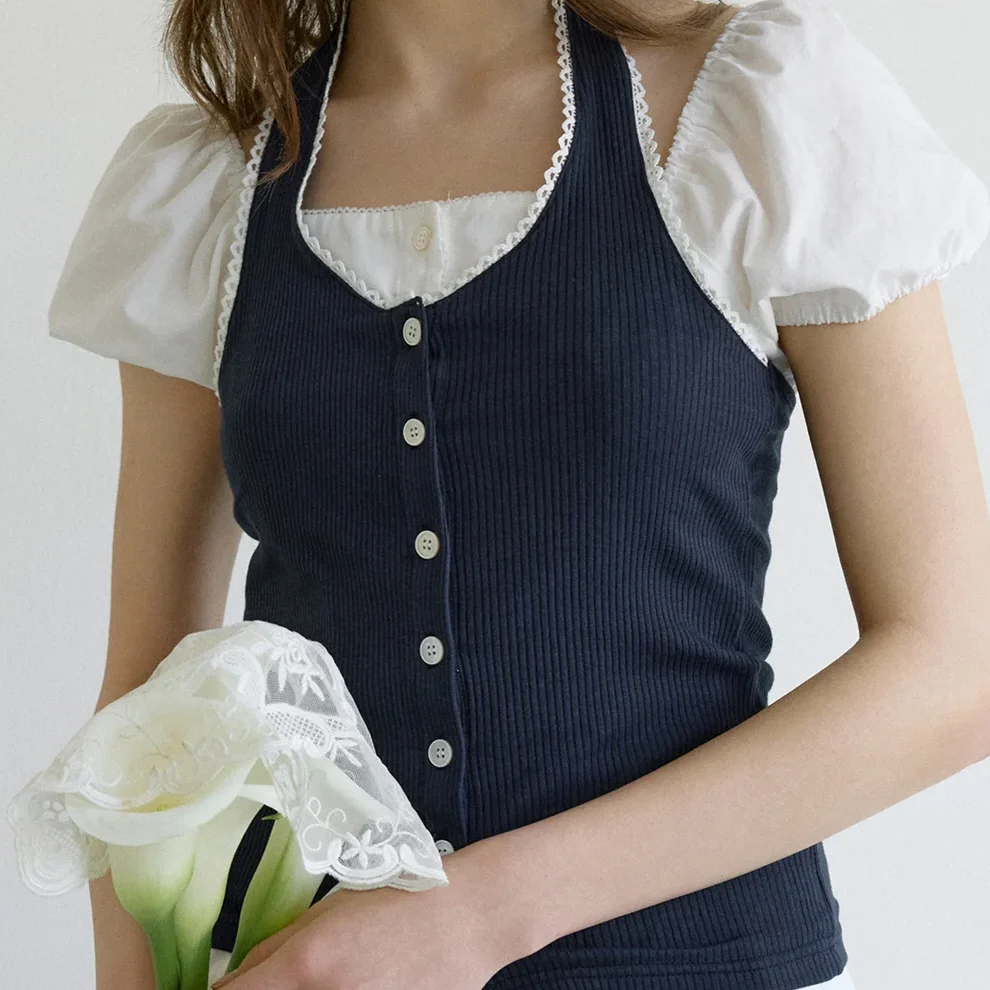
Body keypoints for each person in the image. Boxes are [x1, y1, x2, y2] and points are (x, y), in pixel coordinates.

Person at [45, 0, 990, 988]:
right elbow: (143, 715)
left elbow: (952, 667)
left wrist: (477, 917)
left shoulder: (755, 109)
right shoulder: (209, 186)